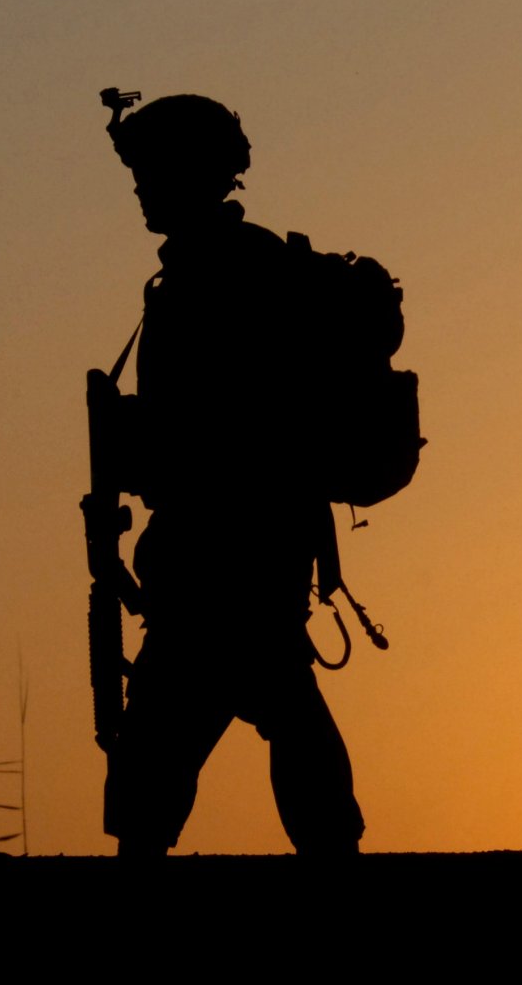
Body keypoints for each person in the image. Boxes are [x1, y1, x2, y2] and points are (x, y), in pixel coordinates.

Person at [95, 93, 365, 857]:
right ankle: (334, 850)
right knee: (274, 700)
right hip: (242, 540)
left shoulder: (226, 276)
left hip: (226, 541)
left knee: (172, 730)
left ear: (192, 173)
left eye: (151, 171)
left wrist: (148, 448)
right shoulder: (212, 272)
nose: (141, 189)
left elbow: (225, 421)